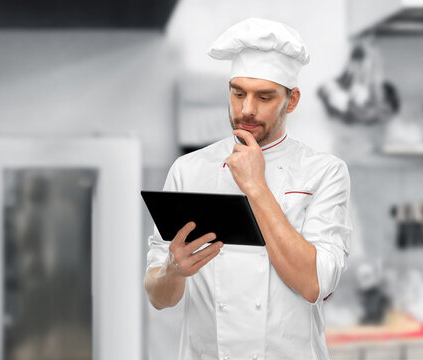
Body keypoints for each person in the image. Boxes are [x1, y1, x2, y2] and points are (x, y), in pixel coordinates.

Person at [145, 17, 352, 360]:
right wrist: (173, 270)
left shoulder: (324, 173)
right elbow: (158, 296)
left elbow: (314, 284)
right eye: (237, 93)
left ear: (292, 100)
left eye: (264, 97)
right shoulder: (188, 170)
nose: (246, 110)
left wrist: (256, 187)